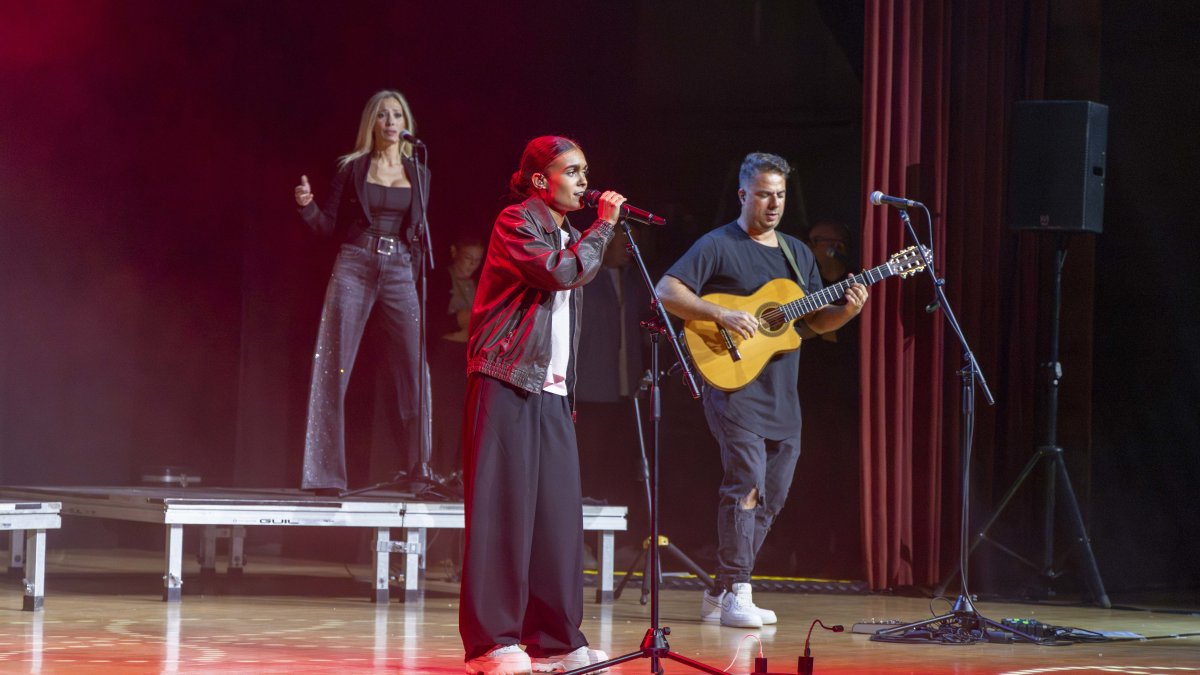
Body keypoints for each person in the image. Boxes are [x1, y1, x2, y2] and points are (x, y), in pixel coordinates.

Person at [655, 152, 868, 628]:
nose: (774, 204)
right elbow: (666, 292)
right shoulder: (718, 243)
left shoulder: (796, 252)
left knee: (773, 494)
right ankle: (740, 589)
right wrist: (721, 314)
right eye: (765, 194)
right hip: (734, 389)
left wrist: (848, 312)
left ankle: (721, 590)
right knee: (746, 483)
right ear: (743, 194)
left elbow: (810, 324)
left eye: (781, 195)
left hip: (782, 395)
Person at [459, 136, 624, 675]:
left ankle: (554, 638)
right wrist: (602, 228)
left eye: (585, 170)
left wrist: (592, 233)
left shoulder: (569, 234)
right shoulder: (516, 222)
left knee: (557, 517)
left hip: (550, 388)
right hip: (506, 377)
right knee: (502, 511)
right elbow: (558, 272)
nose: (582, 180)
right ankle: (491, 644)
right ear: (539, 180)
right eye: (571, 171)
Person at [292, 89, 431, 496]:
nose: (391, 122)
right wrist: (307, 207)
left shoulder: (419, 171)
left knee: (414, 368)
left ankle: (419, 470)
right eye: (383, 115)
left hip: (400, 266)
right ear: (372, 123)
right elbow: (328, 224)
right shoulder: (353, 169)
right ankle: (324, 475)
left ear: (406, 124)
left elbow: (419, 234)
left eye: (397, 115)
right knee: (333, 362)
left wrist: (412, 271)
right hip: (356, 262)